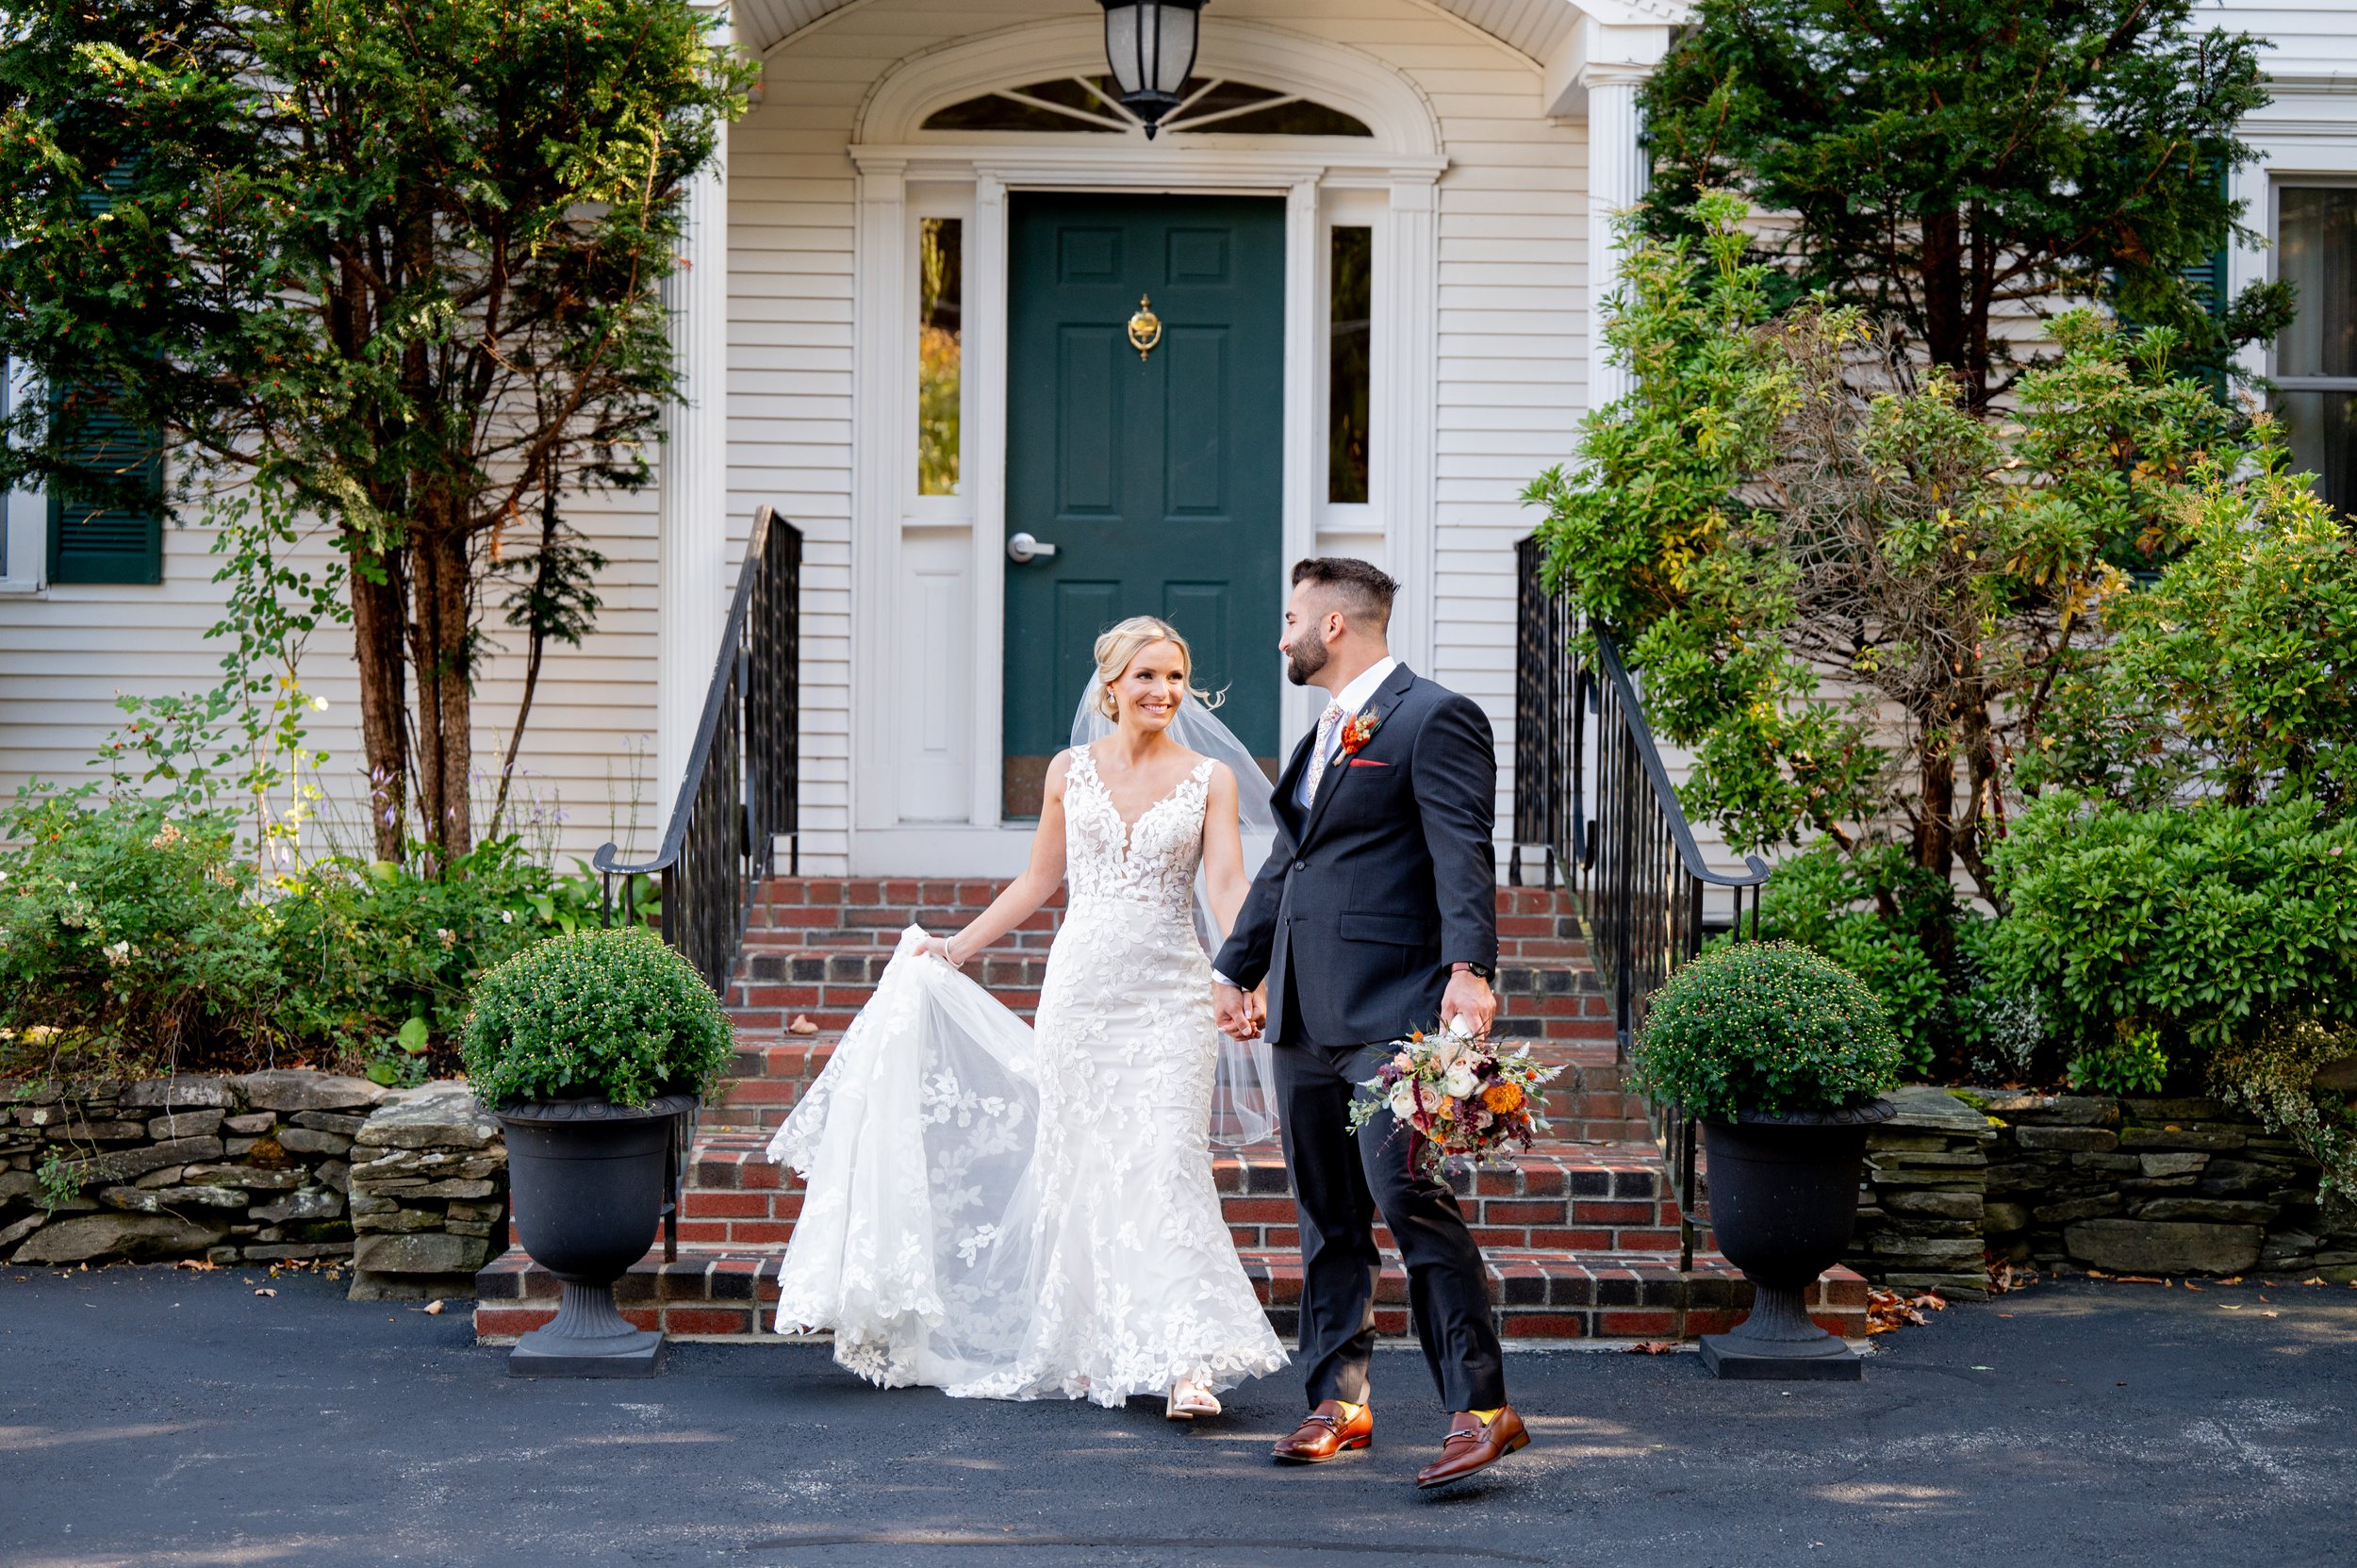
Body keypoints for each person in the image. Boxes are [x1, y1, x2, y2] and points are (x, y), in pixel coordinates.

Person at [766, 616, 1286, 1418]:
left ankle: (1188, 1362)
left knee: (1167, 1164)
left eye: (1177, 677)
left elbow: (1225, 886)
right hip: (1080, 994)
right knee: (1079, 1165)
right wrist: (957, 948)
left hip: (1170, 997)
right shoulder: (1067, 772)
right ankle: (1087, 1344)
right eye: (1147, 676)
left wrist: (1242, 969)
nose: (1164, 692)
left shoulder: (1209, 777)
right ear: (1110, 685)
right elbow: (1039, 879)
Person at [1211, 557, 1530, 1489]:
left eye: (1292, 619)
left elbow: (1460, 850)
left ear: (1337, 627)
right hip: (1305, 1014)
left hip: (1395, 1007)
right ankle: (1338, 1399)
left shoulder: (1435, 717)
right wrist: (1238, 967)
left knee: (1408, 1201)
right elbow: (1289, 864)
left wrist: (1470, 969)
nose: (1282, 637)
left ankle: (1481, 1406)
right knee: (1327, 1215)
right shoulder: (1319, 736)